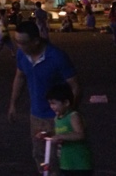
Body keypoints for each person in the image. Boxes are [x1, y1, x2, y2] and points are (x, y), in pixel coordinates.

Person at [8, 20, 80, 176]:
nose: (19, 46)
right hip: (36, 115)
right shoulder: (22, 54)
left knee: (57, 158)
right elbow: (20, 77)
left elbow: (74, 85)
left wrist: (69, 114)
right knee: (40, 155)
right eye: (16, 41)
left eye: (22, 42)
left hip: (56, 117)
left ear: (35, 41)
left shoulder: (57, 57)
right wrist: (13, 104)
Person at [42, 84, 93, 175]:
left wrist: (60, 136)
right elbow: (59, 131)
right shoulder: (57, 118)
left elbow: (80, 134)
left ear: (66, 103)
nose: (51, 107)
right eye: (50, 103)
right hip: (65, 163)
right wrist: (48, 134)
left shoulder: (73, 116)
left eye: (54, 103)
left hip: (79, 164)